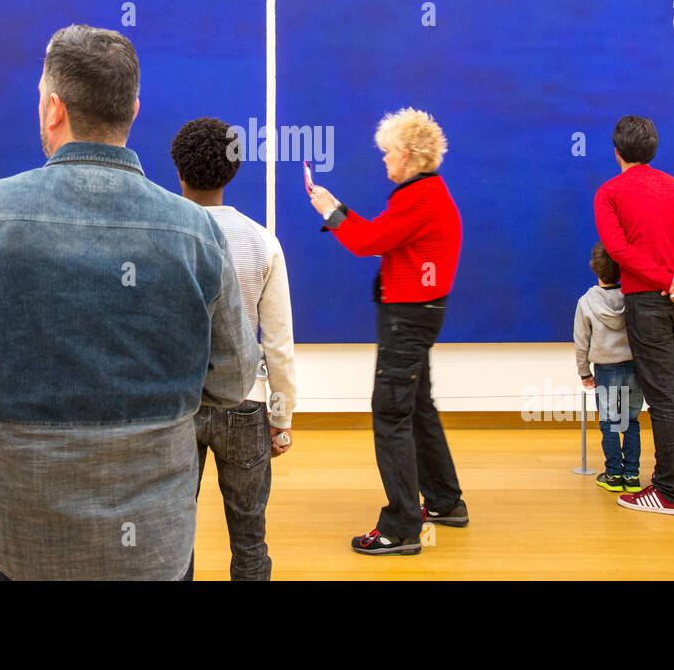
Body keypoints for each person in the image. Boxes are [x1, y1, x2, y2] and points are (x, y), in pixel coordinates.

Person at [0, 25, 260, 581]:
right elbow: (233, 382)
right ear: (133, 110)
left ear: (52, 109)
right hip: (154, 542)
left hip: (17, 536)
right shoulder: (196, 232)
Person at [308, 107, 465, 555]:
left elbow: (366, 242)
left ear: (411, 156)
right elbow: (379, 235)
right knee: (417, 407)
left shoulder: (419, 197)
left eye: (388, 152)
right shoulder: (424, 194)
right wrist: (337, 210)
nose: (383, 159)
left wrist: (331, 210)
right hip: (419, 312)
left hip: (408, 318)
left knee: (391, 413)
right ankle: (445, 502)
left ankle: (400, 527)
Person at [171, 116, 297, 581]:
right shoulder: (263, 242)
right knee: (250, 538)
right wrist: (281, 419)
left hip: (176, 406)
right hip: (246, 405)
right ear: (234, 169)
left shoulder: (163, 236)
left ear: (178, 170)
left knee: (170, 534)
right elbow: (278, 345)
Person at [593, 115, 674, 516]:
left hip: (648, 302)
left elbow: (618, 250)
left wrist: (667, 281)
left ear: (617, 151)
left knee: (662, 396)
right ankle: (670, 481)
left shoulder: (609, 192)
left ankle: (669, 491)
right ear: (653, 148)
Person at [575, 242, 644, 494]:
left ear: (593, 267)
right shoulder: (633, 298)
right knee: (630, 420)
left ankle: (613, 473)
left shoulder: (586, 302)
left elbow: (581, 341)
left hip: (605, 369)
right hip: (634, 368)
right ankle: (632, 474)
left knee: (610, 421)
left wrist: (584, 371)